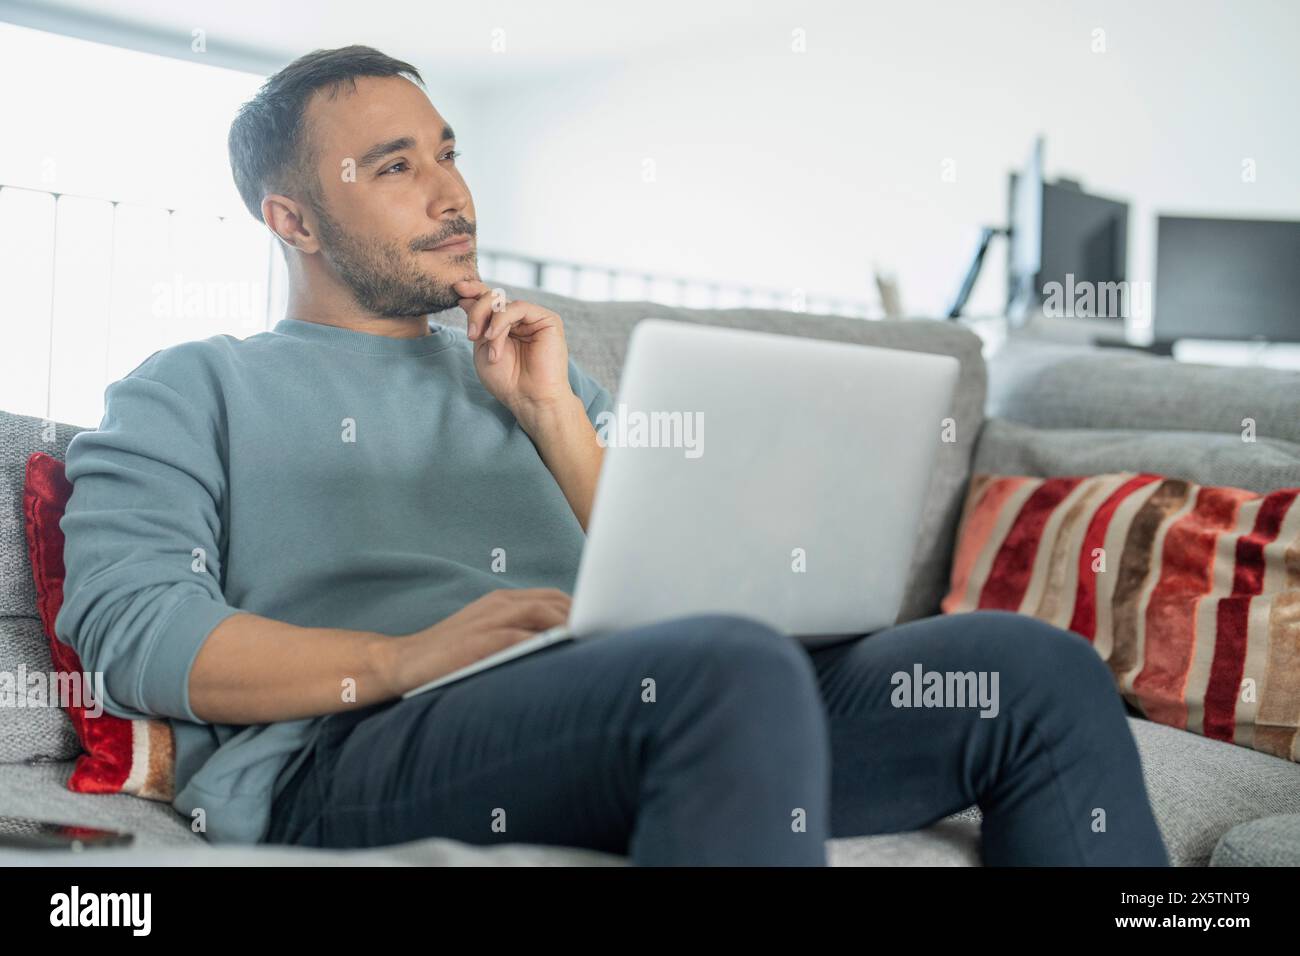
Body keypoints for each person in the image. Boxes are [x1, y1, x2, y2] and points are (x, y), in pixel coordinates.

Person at [56, 45, 1168, 866]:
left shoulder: (538, 377)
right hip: (357, 748)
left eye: (449, 152)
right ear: (292, 221)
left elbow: (712, 593)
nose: (452, 194)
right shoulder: (190, 384)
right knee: (725, 669)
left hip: (651, 698)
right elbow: (137, 634)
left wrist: (555, 420)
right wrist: (400, 658)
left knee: (1032, 670)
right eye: (395, 167)